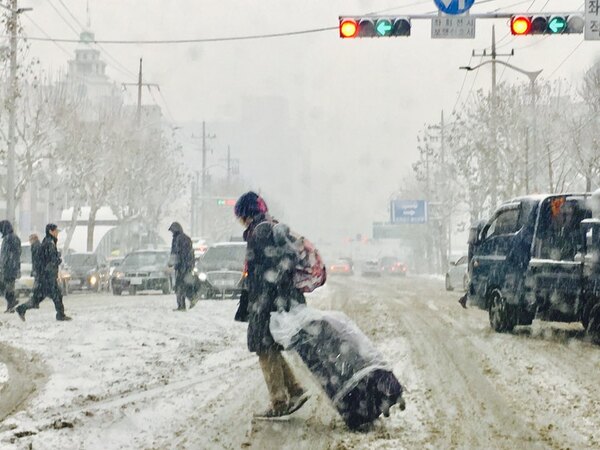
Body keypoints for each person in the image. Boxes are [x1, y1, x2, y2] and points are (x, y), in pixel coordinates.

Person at [234, 191, 309, 418]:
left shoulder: (261, 232)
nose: (239, 220)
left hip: (266, 302)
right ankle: (294, 390)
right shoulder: (267, 227)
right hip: (271, 300)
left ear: (247, 212)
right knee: (269, 347)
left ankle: (279, 401)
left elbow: (268, 270)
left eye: (240, 215)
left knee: (264, 348)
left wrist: (264, 299)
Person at [16, 224, 71, 321]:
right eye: (56, 231)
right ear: (51, 231)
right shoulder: (49, 243)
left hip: (45, 277)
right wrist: (58, 259)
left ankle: (21, 308)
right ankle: (60, 315)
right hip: (48, 277)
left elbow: (47, 258)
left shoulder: (48, 242)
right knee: (57, 295)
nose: (57, 233)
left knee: (37, 299)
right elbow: (50, 260)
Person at [168, 222, 195, 311]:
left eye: (172, 231)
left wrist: (172, 263)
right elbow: (190, 253)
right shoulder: (185, 238)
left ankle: (182, 305)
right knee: (184, 285)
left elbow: (176, 253)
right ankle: (188, 301)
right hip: (187, 265)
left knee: (180, 286)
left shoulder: (178, 239)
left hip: (181, 266)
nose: (172, 233)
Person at [0, 220, 21, 313]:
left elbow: (5, 254)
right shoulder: (14, 238)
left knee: (6, 286)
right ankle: (11, 304)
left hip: (8, 267)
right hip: (12, 267)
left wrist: (3, 264)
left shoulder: (8, 238)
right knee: (8, 286)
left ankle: (12, 302)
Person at [29, 234, 42, 309]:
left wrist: (35, 269)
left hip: (38, 269)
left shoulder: (35, 247)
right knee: (37, 286)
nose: (29, 241)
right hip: (39, 269)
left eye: (30, 240)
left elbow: (35, 260)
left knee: (37, 286)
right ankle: (35, 302)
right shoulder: (38, 246)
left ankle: (35, 302)